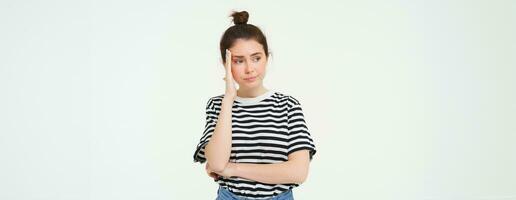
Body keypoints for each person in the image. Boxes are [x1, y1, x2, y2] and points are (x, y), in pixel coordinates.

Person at [193, 10, 316, 200]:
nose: (250, 68)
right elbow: (217, 164)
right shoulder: (217, 105)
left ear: (267, 57)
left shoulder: (288, 106)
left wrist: (233, 169)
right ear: (225, 64)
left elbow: (298, 172)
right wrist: (228, 99)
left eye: (256, 58)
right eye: (239, 61)